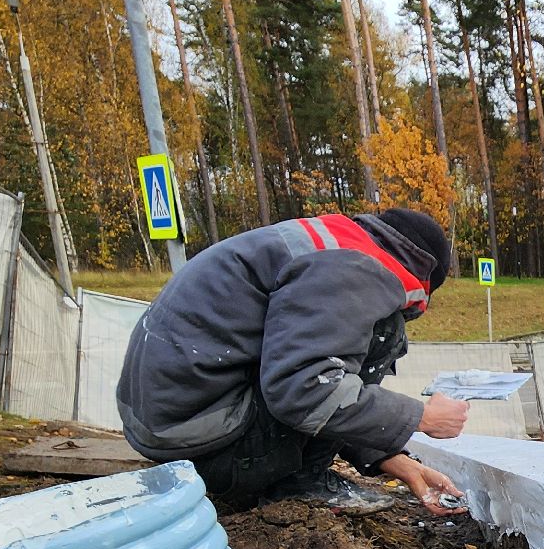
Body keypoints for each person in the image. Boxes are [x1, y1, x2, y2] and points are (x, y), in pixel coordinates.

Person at [117, 208, 472, 515]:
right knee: (386, 333)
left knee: (328, 356)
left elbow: (298, 367)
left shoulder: (329, 246)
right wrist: (421, 417)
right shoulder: (355, 270)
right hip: (210, 450)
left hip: (175, 426)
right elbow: (306, 389)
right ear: (423, 282)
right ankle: (302, 483)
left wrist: (392, 459)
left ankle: (299, 474)